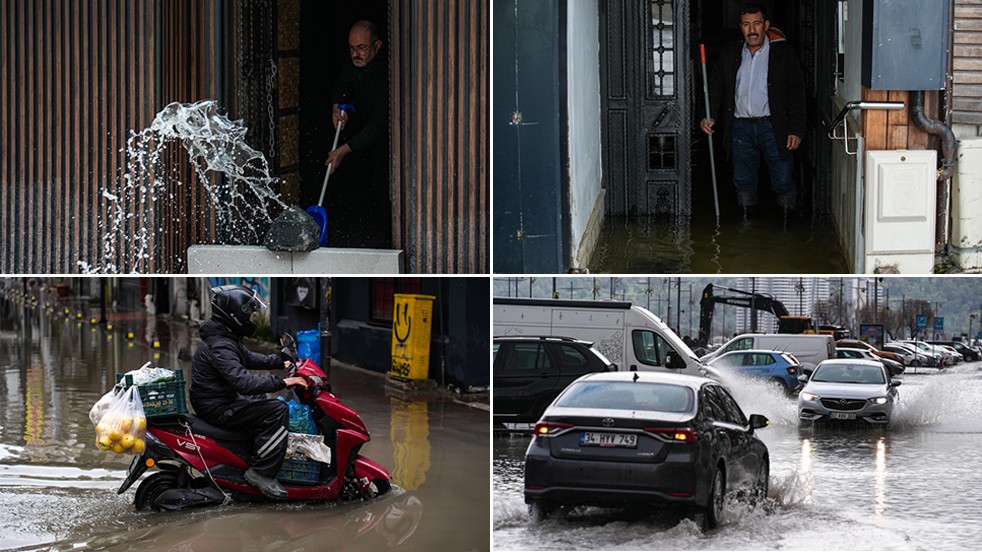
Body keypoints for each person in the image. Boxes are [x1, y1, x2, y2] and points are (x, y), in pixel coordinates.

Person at [189, 285, 308, 500]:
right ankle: (261, 472)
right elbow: (243, 382)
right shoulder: (221, 345)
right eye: (248, 314)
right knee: (277, 410)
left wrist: (280, 360)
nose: (250, 318)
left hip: (218, 400)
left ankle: (250, 455)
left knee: (258, 399)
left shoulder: (224, 336)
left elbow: (248, 357)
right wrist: (282, 382)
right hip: (217, 408)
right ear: (234, 315)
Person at [700, 3, 806, 221]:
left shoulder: (783, 54)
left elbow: (797, 93)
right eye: (746, 25)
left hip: (774, 127)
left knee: (783, 180)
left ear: (766, 25)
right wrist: (707, 115)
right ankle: (747, 228)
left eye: (757, 23)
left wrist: (796, 129)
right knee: (743, 181)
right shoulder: (730, 54)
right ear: (741, 27)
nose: (752, 30)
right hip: (740, 129)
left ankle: (786, 229)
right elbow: (716, 86)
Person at [324, 20, 390, 248]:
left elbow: (379, 125)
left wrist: (342, 151)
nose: (356, 54)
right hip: (361, 133)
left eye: (362, 48)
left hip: (385, 140)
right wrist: (337, 104)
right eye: (352, 48)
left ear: (377, 46)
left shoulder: (387, 73)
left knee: (382, 188)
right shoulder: (353, 60)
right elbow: (343, 83)